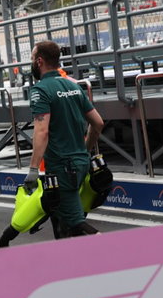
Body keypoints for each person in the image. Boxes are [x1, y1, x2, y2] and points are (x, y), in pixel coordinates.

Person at [24, 41, 105, 238]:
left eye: (32, 59)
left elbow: (41, 132)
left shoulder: (40, 90)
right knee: (62, 221)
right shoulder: (73, 86)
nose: (32, 63)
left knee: (75, 224)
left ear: (39, 61)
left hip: (62, 168)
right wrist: (85, 150)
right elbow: (98, 123)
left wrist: (33, 170)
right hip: (80, 164)